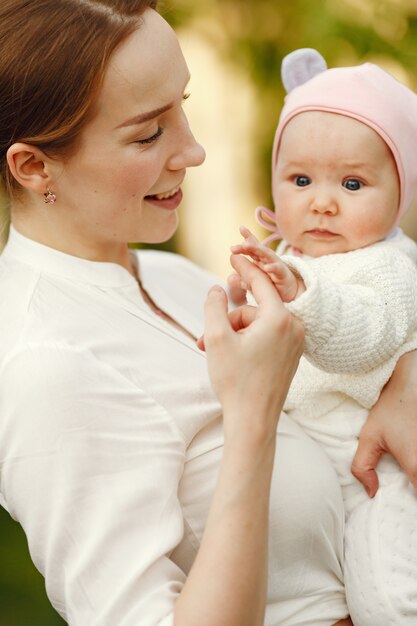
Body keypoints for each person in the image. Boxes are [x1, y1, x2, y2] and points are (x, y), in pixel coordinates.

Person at [0, 3, 411, 624]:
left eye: (183, 105)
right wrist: (253, 414)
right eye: (148, 133)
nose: (192, 151)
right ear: (34, 166)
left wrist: (405, 377)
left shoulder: (169, 277)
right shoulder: (47, 370)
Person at [230, 48, 417, 626]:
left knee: (388, 598)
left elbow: (367, 333)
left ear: (400, 194)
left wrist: (301, 298)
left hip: (374, 471)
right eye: (301, 179)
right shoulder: (293, 255)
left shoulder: (387, 266)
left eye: (354, 183)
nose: (323, 201)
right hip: (317, 469)